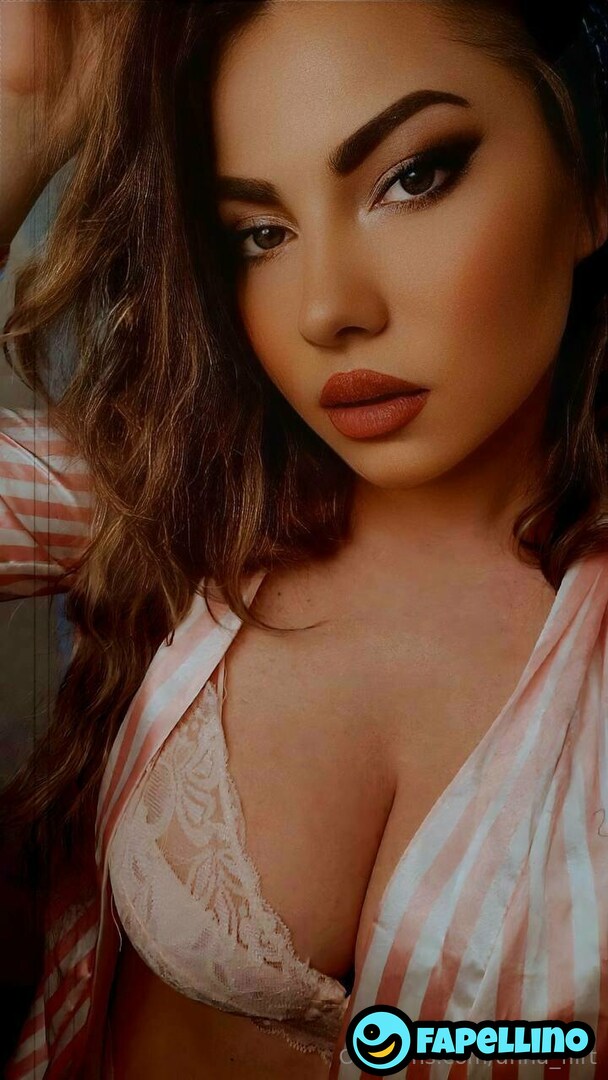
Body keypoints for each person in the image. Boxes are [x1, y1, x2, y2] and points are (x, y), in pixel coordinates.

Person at [1, 1, 608, 1077]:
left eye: (411, 178)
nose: (327, 309)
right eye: (260, 233)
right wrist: (21, 124)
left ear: (589, 187)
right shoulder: (180, 496)